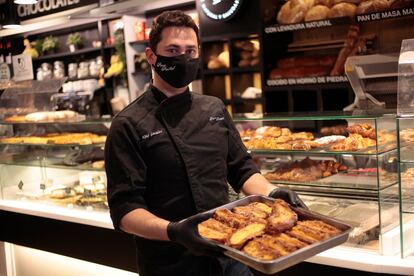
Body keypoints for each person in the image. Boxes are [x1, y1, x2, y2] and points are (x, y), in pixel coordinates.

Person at [105, 10, 306, 276]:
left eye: (190, 51)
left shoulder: (213, 108)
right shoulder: (128, 124)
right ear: (152, 56)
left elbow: (241, 168)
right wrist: (175, 231)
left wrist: (273, 193)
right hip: (170, 262)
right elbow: (124, 211)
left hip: (230, 252)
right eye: (173, 50)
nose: (183, 58)